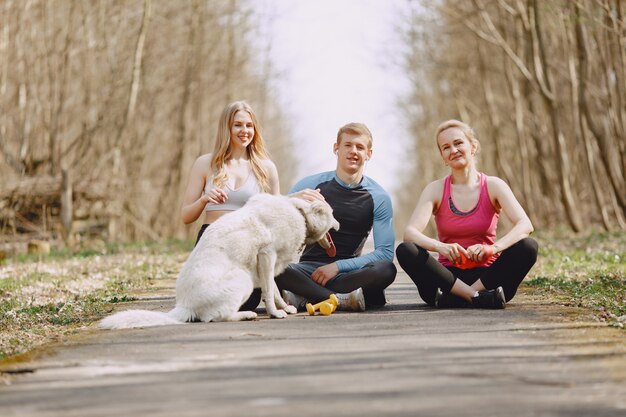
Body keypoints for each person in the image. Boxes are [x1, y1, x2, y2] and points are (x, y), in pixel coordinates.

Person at [396, 119, 538, 309]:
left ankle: (463, 297)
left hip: (489, 278)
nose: (453, 150)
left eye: (458, 143)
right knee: (406, 251)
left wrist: (493, 248)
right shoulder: (435, 189)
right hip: (446, 280)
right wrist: (441, 247)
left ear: (473, 146)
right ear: (443, 157)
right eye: (446, 147)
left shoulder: (494, 185)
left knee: (528, 246)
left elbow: (525, 225)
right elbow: (410, 233)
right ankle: (475, 297)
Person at [276, 122, 397, 312]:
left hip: (348, 273)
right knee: (273, 266)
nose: (353, 151)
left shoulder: (379, 197)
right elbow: (275, 221)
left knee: (386, 270)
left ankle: (305, 295)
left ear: (369, 154)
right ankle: (339, 299)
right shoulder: (310, 184)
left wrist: (338, 267)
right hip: (307, 271)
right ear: (336, 149)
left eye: (360, 147)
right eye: (347, 145)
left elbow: (385, 253)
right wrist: (290, 199)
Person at [180, 100, 280, 310]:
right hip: (212, 240)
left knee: (247, 303)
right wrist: (204, 199)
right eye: (238, 125)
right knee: (207, 298)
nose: (244, 130)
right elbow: (186, 216)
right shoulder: (205, 164)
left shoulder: (266, 168)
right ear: (226, 127)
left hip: (247, 244)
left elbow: (276, 220)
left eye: (249, 125)